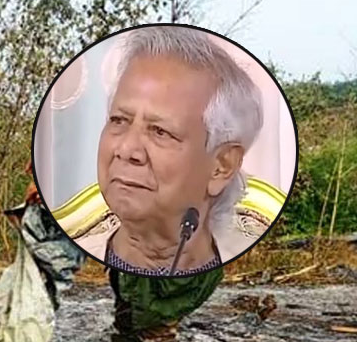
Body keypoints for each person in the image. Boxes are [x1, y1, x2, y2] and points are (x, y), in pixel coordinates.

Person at [76, 26, 264, 276]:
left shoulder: (251, 269)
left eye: (160, 132)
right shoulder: (65, 266)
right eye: (119, 120)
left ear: (221, 166)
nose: (126, 149)